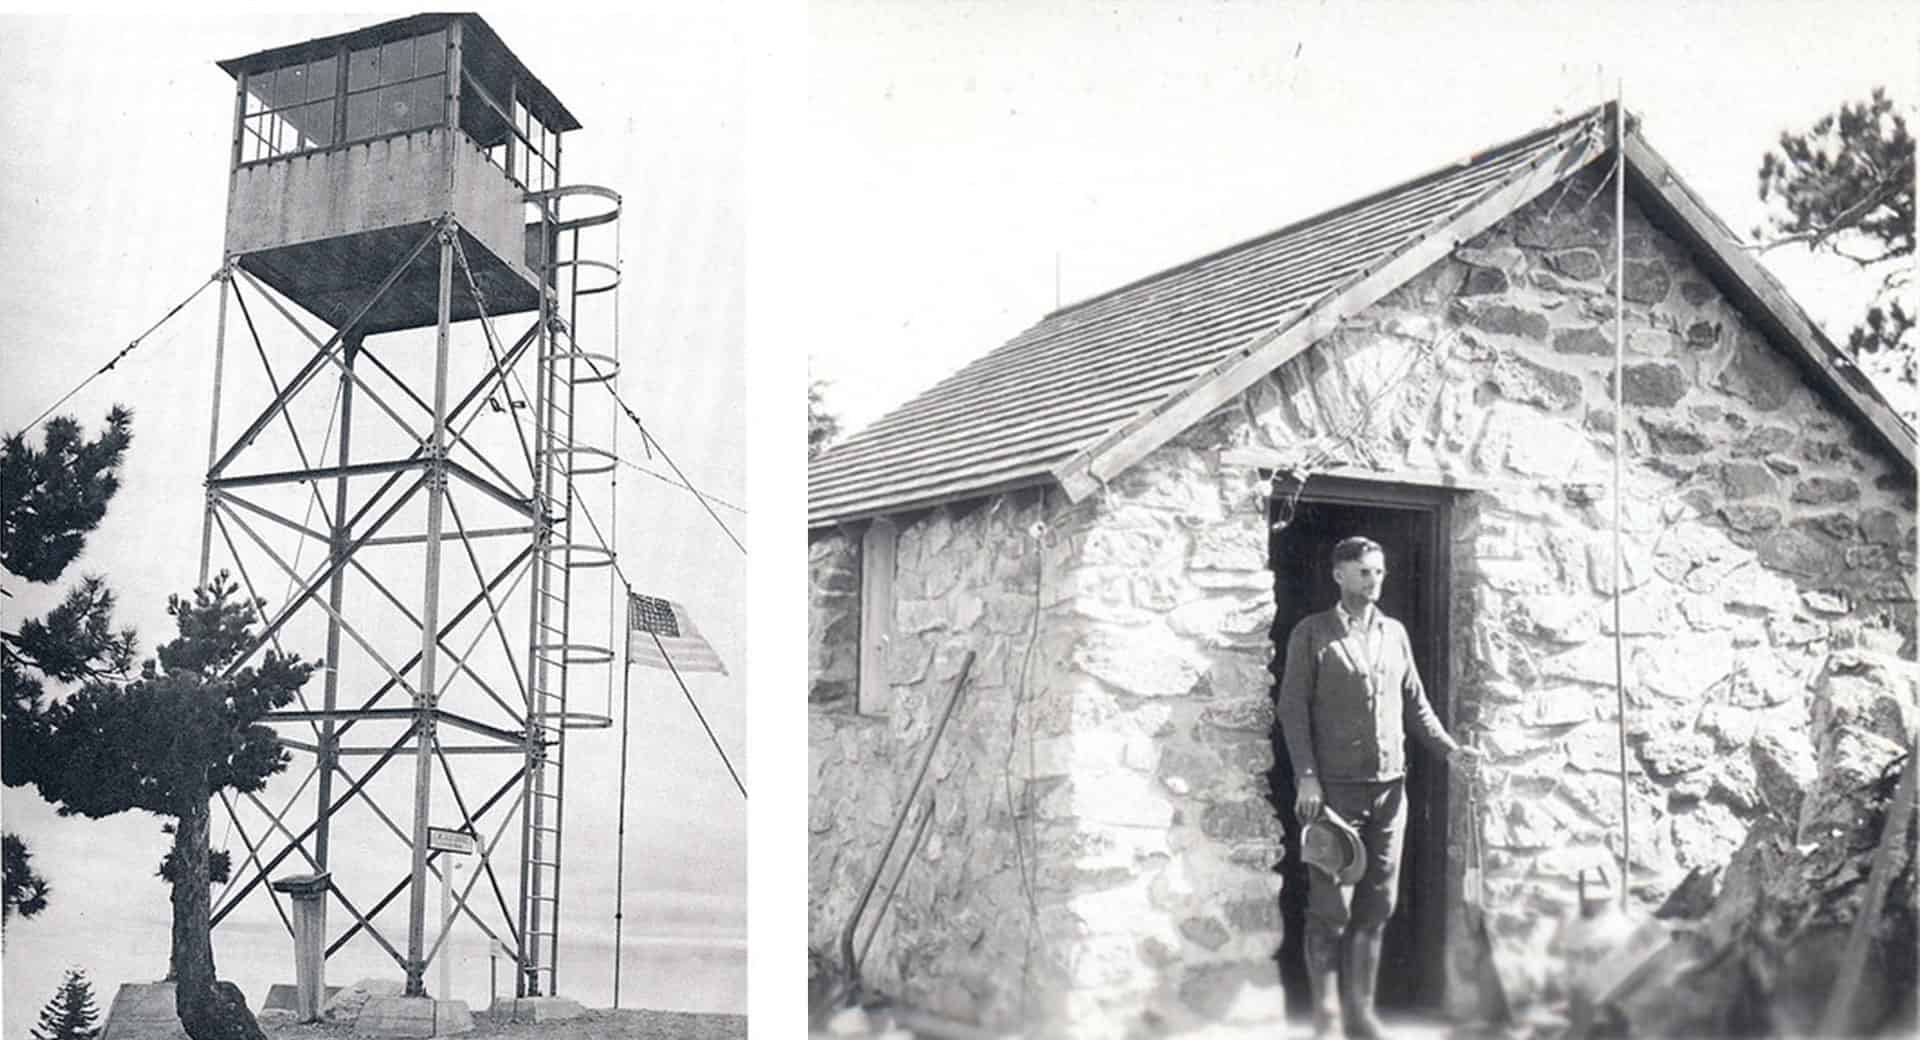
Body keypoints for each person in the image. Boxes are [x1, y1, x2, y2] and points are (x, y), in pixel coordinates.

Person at [1275, 535, 1484, 1040]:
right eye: (1364, 572)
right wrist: (1307, 776)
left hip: (1390, 792)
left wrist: (1451, 751)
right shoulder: (1313, 633)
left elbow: (1416, 705)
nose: (1375, 581)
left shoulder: (1395, 634)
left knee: (1377, 906)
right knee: (1332, 907)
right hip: (1333, 795)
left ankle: (1360, 1014)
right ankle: (1325, 1014)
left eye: (1381, 572)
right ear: (1339, 575)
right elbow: (1292, 708)